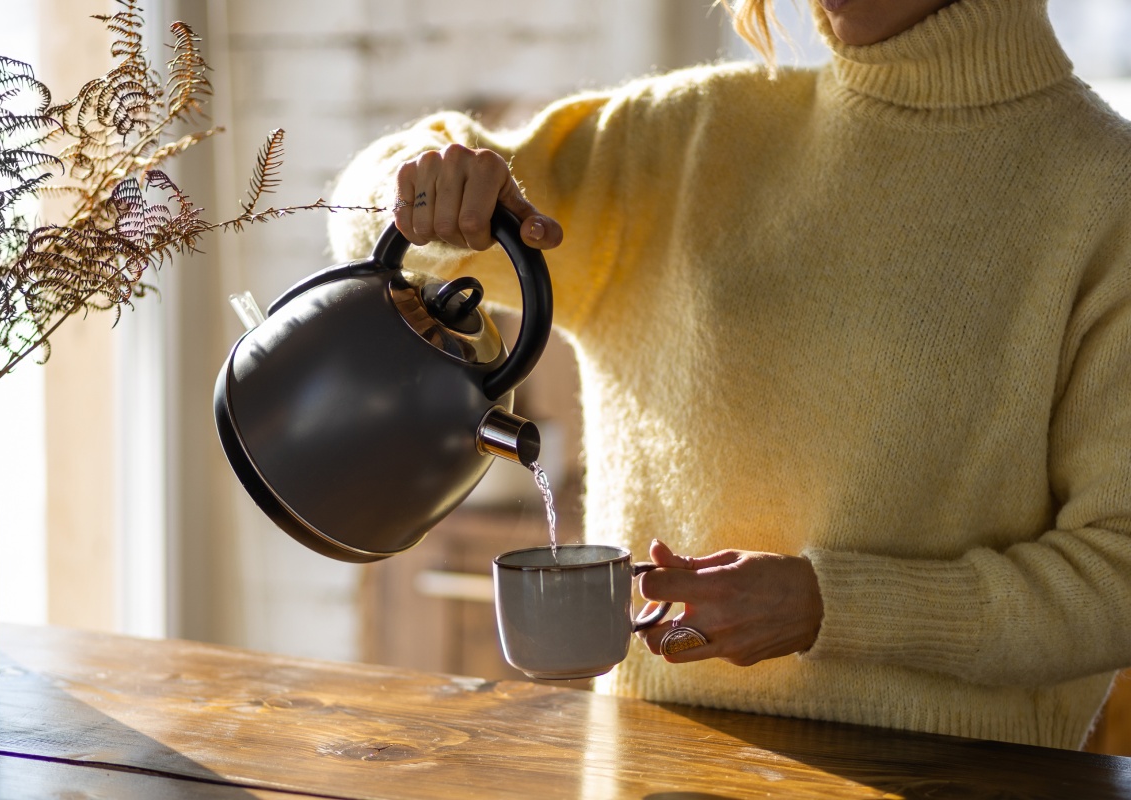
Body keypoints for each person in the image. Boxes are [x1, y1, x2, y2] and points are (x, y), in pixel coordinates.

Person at [327, 0, 1131, 750]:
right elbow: (385, 224)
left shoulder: (1103, 193)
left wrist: (835, 607)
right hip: (652, 770)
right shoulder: (689, 137)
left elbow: (1117, 573)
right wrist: (416, 181)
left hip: (961, 780)